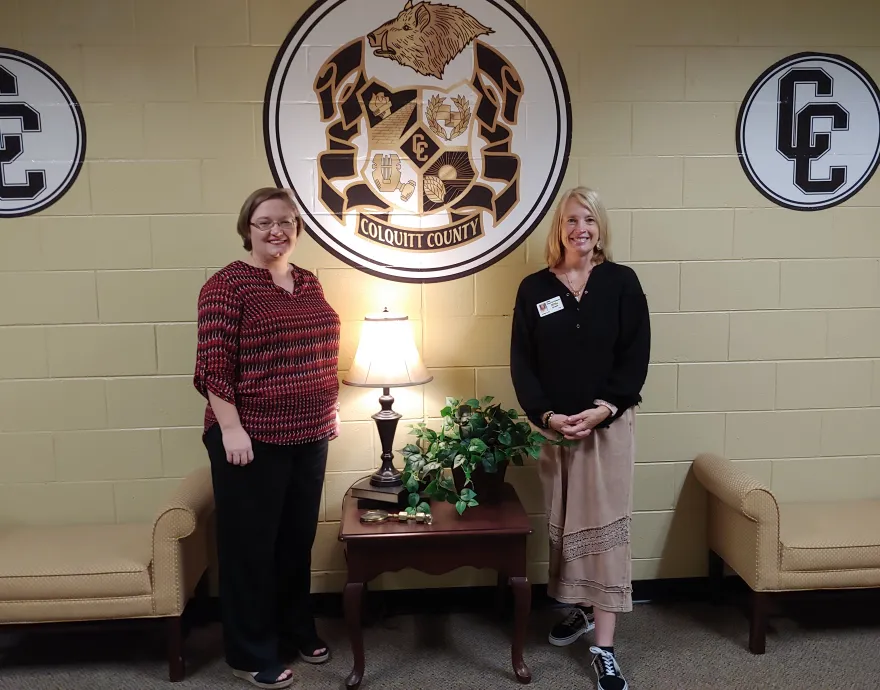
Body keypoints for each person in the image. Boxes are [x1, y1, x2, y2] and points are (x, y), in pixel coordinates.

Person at [194, 187, 341, 689]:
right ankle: (249, 650)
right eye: (264, 222)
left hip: (309, 435)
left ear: (297, 228)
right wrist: (232, 429)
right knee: (249, 548)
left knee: (295, 542)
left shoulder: (307, 282)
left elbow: (322, 349)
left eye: (285, 221)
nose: (276, 230)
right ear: (247, 229)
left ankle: (294, 627)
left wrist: (329, 408)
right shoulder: (227, 286)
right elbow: (214, 368)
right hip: (250, 440)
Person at [510, 186, 650, 690]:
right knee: (568, 525)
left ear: (600, 227)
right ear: (559, 229)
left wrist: (603, 409)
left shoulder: (621, 283)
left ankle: (605, 648)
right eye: (571, 220)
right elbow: (522, 363)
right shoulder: (534, 289)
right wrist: (546, 415)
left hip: (606, 429)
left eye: (588, 219)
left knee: (605, 529)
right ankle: (582, 609)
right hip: (557, 431)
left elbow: (635, 355)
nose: (580, 229)